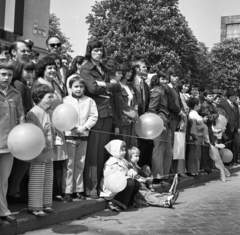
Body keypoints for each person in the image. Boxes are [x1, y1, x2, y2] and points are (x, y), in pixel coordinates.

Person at [80, 38, 121, 199]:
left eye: (100, 50)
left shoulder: (104, 68)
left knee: (102, 152)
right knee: (93, 152)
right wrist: (105, 85)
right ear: (89, 51)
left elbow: (117, 87)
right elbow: (92, 88)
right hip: (95, 113)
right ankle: (91, 188)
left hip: (108, 113)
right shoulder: (85, 68)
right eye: (95, 50)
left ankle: (100, 186)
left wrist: (103, 84)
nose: (98, 53)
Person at [33, 56, 68, 202]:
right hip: (46, 125)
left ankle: (56, 191)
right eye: (50, 68)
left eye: (55, 68)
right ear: (43, 70)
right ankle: (47, 194)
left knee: (58, 158)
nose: (53, 70)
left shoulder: (55, 83)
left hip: (57, 125)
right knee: (48, 159)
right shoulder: (40, 84)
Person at [62, 76, 98, 201]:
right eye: (76, 86)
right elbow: (62, 115)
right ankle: (67, 190)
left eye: (81, 87)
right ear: (70, 88)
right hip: (69, 135)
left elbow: (93, 116)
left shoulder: (89, 101)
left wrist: (85, 127)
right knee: (69, 164)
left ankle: (78, 190)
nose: (78, 89)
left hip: (83, 136)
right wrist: (71, 126)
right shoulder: (65, 100)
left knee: (80, 164)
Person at [0, 58, 25, 224]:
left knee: (3, 179)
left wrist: (22, 133)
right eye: (2, 74)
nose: (6, 77)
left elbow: (21, 115)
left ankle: (3, 210)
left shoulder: (16, 94)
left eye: (9, 75)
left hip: (9, 144)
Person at [7, 57, 35, 203]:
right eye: (27, 71)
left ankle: (15, 191)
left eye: (32, 71)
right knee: (21, 160)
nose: (30, 74)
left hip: (19, 128)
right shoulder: (19, 85)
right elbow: (22, 109)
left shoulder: (22, 84)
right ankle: (14, 191)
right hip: (16, 130)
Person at [26, 84, 55, 217]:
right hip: (38, 151)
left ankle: (46, 203)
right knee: (37, 178)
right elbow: (31, 132)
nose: (52, 98)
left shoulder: (49, 111)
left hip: (49, 150)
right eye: (49, 96)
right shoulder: (33, 112)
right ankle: (35, 206)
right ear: (40, 97)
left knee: (48, 178)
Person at [100, 140, 140, 211]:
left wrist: (131, 172)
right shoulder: (111, 162)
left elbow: (126, 171)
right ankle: (115, 202)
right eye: (122, 150)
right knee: (130, 182)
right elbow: (112, 178)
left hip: (120, 184)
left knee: (136, 183)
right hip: (112, 187)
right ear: (115, 150)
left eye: (124, 150)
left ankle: (129, 202)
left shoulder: (123, 161)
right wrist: (126, 176)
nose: (124, 152)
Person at [148, 73, 173, 185]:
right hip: (159, 123)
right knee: (158, 150)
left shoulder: (165, 91)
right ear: (157, 79)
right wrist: (158, 123)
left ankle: (165, 175)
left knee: (168, 150)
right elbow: (151, 109)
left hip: (166, 122)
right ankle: (158, 176)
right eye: (162, 78)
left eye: (166, 78)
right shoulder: (157, 91)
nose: (165, 81)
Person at [165, 68, 187, 176]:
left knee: (177, 147)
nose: (176, 78)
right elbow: (171, 104)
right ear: (169, 77)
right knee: (171, 146)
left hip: (178, 119)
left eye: (177, 76)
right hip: (171, 119)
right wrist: (181, 113)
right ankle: (170, 172)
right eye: (173, 75)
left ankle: (175, 172)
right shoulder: (167, 88)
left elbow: (180, 104)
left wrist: (183, 116)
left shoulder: (176, 89)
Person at [130, 60, 151, 167]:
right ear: (137, 69)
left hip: (143, 120)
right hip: (132, 118)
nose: (146, 69)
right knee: (134, 146)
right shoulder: (131, 82)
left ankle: (142, 170)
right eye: (144, 67)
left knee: (143, 145)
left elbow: (147, 102)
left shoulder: (145, 85)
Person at [187, 97, 209, 176]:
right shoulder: (192, 114)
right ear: (195, 105)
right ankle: (192, 170)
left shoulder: (196, 114)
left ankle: (196, 170)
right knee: (194, 154)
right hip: (195, 137)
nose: (200, 105)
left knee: (197, 154)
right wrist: (195, 138)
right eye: (199, 103)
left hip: (199, 137)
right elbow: (193, 128)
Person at [199, 90, 219, 173]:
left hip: (210, 127)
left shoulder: (212, 105)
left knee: (211, 146)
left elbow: (216, 114)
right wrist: (215, 115)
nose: (211, 97)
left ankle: (210, 166)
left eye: (212, 96)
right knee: (207, 147)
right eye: (209, 96)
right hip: (205, 127)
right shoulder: (204, 105)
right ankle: (205, 167)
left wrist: (214, 115)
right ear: (205, 97)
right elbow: (209, 118)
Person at [219, 90, 240, 166]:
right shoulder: (222, 104)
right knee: (227, 143)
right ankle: (226, 161)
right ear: (230, 96)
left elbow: (237, 117)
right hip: (227, 127)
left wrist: (238, 127)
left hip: (235, 128)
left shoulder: (236, 105)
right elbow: (222, 116)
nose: (236, 97)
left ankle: (233, 159)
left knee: (235, 144)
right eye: (235, 96)